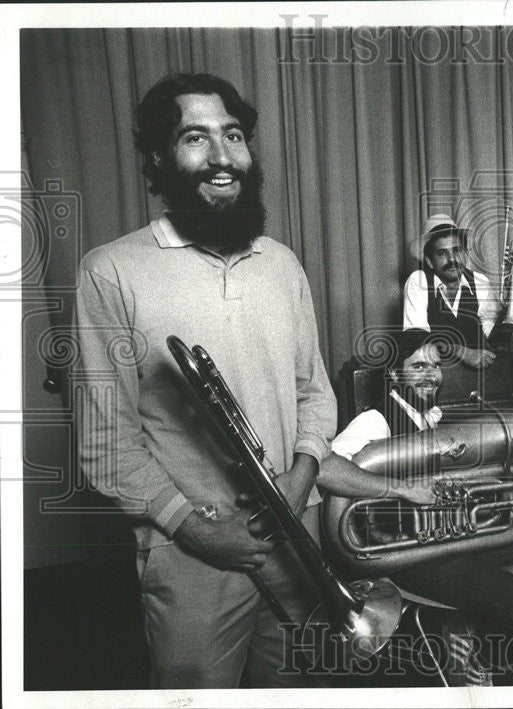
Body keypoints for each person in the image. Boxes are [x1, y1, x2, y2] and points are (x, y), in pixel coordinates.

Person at [74, 73, 433, 689]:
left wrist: (302, 474)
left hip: (300, 537)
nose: (222, 157)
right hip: (193, 555)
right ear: (160, 157)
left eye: (233, 136)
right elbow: (107, 444)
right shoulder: (111, 270)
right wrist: (200, 530)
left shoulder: (282, 263)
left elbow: (314, 393)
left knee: (303, 690)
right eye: (196, 138)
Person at [324, 329, 513, 686]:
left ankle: (474, 625)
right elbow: (326, 469)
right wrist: (402, 489)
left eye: (437, 365)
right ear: (395, 375)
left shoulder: (432, 418)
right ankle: (479, 653)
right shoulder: (375, 421)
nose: (431, 374)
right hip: (411, 560)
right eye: (418, 366)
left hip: (452, 544)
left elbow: (458, 493)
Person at [402, 214, 503, 369]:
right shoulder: (418, 281)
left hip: (478, 378)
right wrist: (462, 352)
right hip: (436, 376)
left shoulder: (479, 281)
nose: (452, 260)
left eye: (457, 251)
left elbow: (493, 340)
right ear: (429, 261)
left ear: (465, 254)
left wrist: (510, 304)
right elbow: (415, 338)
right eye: (442, 253)